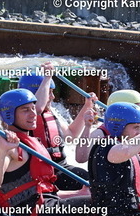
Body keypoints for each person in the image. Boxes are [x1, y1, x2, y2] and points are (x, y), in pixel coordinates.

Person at [0, 89, 96, 216]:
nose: (33, 114)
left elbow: (42, 192)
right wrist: (1, 152)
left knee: (102, 198)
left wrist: (78, 193)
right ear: (9, 114)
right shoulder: (7, 147)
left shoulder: (27, 141)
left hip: (47, 209)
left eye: (33, 108)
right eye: (25, 110)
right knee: (103, 205)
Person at [76, 89, 140, 214]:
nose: (139, 112)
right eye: (135, 107)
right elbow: (81, 157)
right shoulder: (102, 133)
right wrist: (87, 126)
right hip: (126, 189)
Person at [17, 62, 94, 191]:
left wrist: (87, 106)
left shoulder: (50, 112)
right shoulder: (24, 116)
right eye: (49, 92)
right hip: (41, 172)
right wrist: (47, 77)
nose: (53, 97)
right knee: (88, 184)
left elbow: (71, 134)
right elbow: (37, 108)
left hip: (60, 167)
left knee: (91, 178)